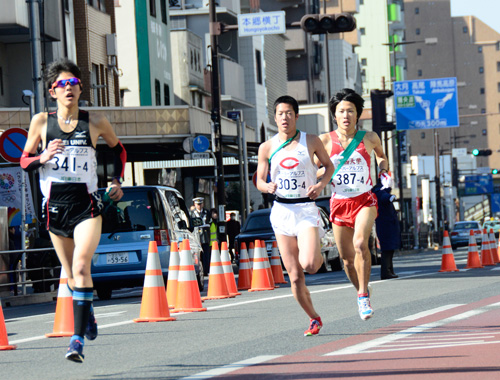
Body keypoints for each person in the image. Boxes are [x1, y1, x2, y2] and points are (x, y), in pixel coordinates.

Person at [20, 59, 126, 363]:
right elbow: (23, 161)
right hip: (55, 208)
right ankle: (87, 312)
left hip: (87, 205)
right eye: (62, 84)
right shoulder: (41, 122)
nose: (68, 88)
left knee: (81, 267)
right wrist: (43, 156)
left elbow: (119, 150)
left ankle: (76, 339)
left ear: (80, 89)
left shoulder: (94, 122)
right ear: (52, 91)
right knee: (69, 275)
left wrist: (116, 180)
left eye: (73, 83)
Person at [256, 95, 334, 336]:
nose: (284, 118)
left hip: (306, 210)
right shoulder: (266, 147)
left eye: (289, 113)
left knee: (310, 265)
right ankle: (313, 318)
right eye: (280, 114)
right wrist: (265, 187)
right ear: (275, 117)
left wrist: (321, 186)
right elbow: (259, 179)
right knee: (295, 277)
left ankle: (318, 247)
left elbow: (329, 166)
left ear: (296, 116)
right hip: (281, 212)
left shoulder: (310, 141)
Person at [317, 88, 390, 321]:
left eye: (351, 111)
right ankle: (362, 289)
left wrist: (383, 168)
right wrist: (328, 168)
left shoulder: (369, 137)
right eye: (341, 111)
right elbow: (313, 170)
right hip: (339, 202)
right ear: (334, 115)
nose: (346, 115)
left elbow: (381, 155)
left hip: (364, 199)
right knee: (347, 260)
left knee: (360, 243)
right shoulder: (325, 141)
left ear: (358, 114)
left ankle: (362, 297)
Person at [372, 181, 400, 279]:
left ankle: (390, 271)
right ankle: (386, 272)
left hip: (385, 224)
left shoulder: (378, 192)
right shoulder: (381, 192)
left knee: (389, 250)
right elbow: (386, 197)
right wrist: (391, 197)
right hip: (386, 225)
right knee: (387, 250)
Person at [190, 197, 210, 274]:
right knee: (197, 255)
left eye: (200, 204)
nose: (199, 206)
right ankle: (198, 270)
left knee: (206, 254)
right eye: (197, 204)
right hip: (196, 236)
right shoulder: (192, 213)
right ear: (194, 205)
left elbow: (209, 223)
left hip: (205, 236)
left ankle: (206, 270)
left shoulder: (206, 212)